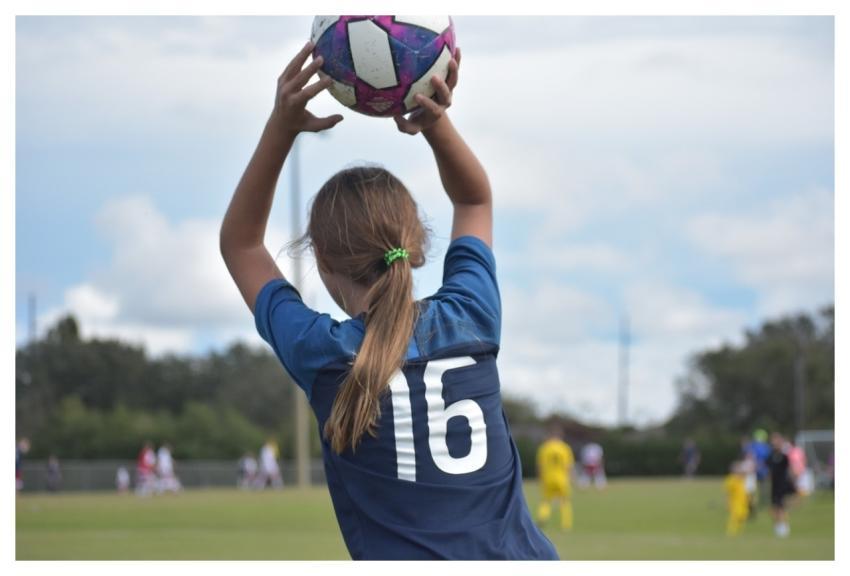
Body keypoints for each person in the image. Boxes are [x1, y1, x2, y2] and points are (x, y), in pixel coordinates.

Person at [220, 41, 558, 560]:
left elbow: (241, 245)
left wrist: (280, 126)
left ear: (324, 263)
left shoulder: (324, 355)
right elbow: (475, 198)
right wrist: (435, 118)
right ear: (417, 247)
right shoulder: (469, 315)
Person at [536, 426, 575, 530]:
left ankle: (542, 516)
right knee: (565, 501)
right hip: (562, 478)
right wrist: (571, 478)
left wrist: (540, 478)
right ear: (560, 436)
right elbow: (569, 466)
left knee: (546, 501)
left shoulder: (544, 448)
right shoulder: (565, 448)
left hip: (548, 478)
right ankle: (566, 525)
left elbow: (540, 466)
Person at [768, 432, 796, 538]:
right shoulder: (771, 456)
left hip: (782, 484)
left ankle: (783, 527)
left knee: (780, 507)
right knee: (773, 508)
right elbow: (769, 471)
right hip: (774, 485)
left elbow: (790, 470)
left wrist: (793, 482)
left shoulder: (784, 456)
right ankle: (777, 526)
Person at [723, 460, 749, 536]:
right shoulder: (730, 480)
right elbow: (727, 493)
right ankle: (731, 532)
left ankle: (739, 530)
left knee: (743, 516)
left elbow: (746, 490)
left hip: (743, 501)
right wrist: (727, 503)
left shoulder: (742, 479)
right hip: (735, 502)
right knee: (735, 516)